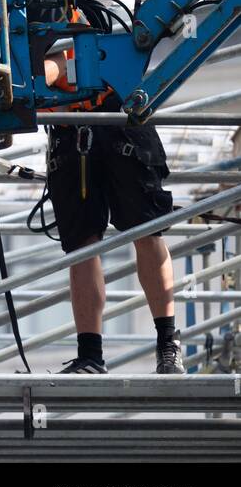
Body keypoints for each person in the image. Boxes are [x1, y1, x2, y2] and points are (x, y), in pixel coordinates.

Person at [40, 55, 184, 374]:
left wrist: (47, 72)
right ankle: (90, 354)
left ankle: (167, 344)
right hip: (69, 126)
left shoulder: (87, 8)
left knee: (146, 229)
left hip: (119, 110)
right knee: (82, 245)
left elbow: (60, 61)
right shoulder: (25, 11)